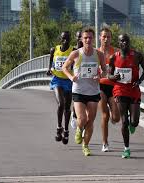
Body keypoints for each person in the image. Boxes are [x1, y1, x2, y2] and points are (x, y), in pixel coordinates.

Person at [62, 27, 106, 156]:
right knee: (82, 118)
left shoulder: (99, 54)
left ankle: (86, 145)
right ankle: (79, 128)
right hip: (79, 90)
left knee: (91, 121)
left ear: (93, 39)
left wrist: (100, 76)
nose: (88, 40)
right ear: (81, 39)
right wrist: (71, 77)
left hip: (93, 91)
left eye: (90, 38)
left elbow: (104, 70)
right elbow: (64, 68)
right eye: (85, 38)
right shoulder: (76, 54)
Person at [108, 33, 144, 158]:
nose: (124, 43)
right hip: (120, 90)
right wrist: (113, 77)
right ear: (118, 43)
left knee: (134, 122)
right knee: (124, 121)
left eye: (126, 41)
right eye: (121, 41)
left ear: (129, 42)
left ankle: (133, 124)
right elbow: (108, 75)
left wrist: (139, 80)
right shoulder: (113, 57)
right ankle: (126, 148)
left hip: (133, 90)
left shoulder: (137, 55)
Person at [46, 31, 74, 145]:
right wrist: (49, 70)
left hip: (68, 81)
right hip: (57, 79)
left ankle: (66, 130)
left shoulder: (73, 51)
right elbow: (51, 62)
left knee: (67, 108)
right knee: (61, 104)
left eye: (67, 39)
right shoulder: (54, 50)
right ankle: (59, 128)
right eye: (63, 39)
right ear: (60, 39)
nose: (65, 41)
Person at [98, 27, 120, 152]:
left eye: (108, 37)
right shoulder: (95, 53)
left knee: (116, 118)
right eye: (104, 36)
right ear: (100, 38)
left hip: (113, 86)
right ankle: (105, 143)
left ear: (111, 38)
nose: (106, 39)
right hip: (100, 86)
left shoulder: (116, 52)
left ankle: (114, 116)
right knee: (105, 115)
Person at [70, 30, 83, 130]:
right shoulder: (73, 51)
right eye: (78, 37)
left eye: (81, 37)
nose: (80, 39)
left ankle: (82, 125)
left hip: (87, 80)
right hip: (75, 80)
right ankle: (74, 115)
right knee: (76, 100)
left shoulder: (89, 50)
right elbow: (68, 66)